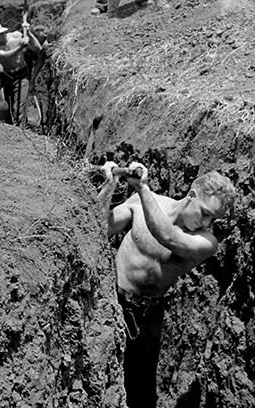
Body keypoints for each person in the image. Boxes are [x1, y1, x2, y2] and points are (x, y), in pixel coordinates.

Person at [97, 162, 237, 408]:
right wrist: (110, 185)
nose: (206, 223)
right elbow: (100, 227)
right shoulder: (144, 202)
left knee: (139, 392)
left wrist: (142, 188)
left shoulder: (206, 242)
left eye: (213, 219)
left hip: (146, 318)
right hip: (109, 302)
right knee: (99, 379)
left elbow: (167, 236)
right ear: (191, 196)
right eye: (205, 213)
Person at [0, 20, 42, 126]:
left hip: (21, 76)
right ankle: (10, 131)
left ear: (0, 33)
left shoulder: (16, 37)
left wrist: (29, 34)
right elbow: (5, 55)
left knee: (19, 107)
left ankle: (21, 129)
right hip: (6, 78)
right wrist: (21, 48)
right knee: (7, 108)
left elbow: (38, 48)